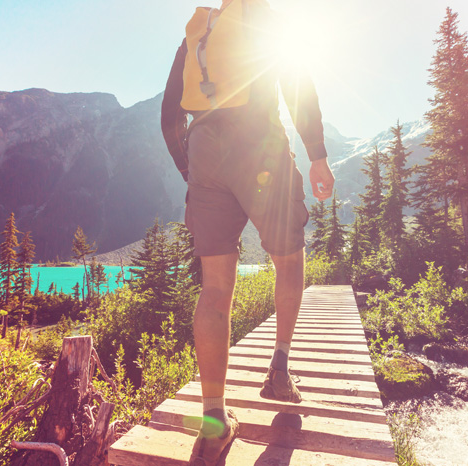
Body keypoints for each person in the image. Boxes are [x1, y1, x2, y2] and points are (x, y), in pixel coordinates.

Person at [161, 0, 334, 464]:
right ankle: (280, 364)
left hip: (204, 150)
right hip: (259, 146)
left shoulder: (198, 33)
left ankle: (213, 422)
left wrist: (190, 168)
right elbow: (297, 86)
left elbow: (168, 116)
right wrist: (317, 153)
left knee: (214, 289)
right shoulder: (264, 19)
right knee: (288, 257)